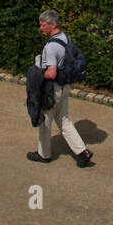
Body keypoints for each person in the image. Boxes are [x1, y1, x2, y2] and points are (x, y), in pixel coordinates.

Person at [27, 10, 94, 168]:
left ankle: (44, 154)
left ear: (53, 25)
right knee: (64, 120)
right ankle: (82, 152)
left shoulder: (50, 47)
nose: (40, 28)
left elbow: (51, 72)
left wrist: (36, 73)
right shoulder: (65, 38)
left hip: (53, 89)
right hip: (65, 87)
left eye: (43, 25)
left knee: (45, 121)